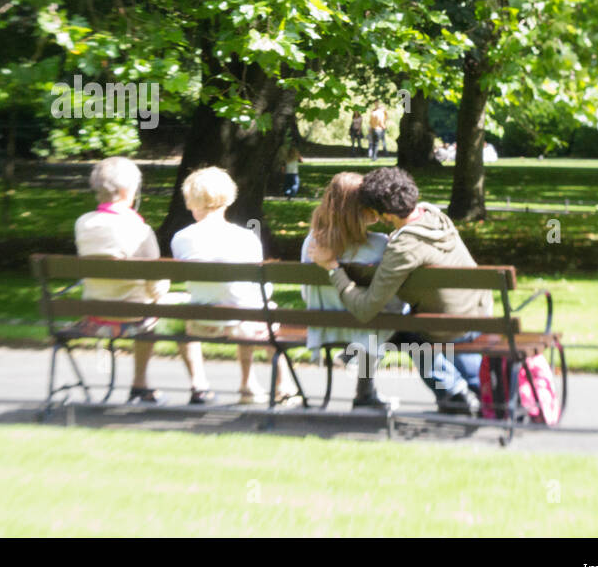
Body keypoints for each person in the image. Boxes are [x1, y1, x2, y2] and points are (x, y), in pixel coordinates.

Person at [308, 166, 487, 415]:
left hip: (326, 326)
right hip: (471, 313)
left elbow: (358, 306)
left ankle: (453, 392)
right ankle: (460, 391)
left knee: (398, 329)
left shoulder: (312, 243)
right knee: (400, 326)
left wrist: (331, 267)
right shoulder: (428, 218)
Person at [74, 157, 213, 405]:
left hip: (94, 314)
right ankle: (198, 386)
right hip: (133, 318)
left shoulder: (83, 224)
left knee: (147, 307)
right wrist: (162, 292)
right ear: (129, 190)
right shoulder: (139, 230)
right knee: (179, 308)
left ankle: (141, 386)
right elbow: (156, 283)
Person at [171, 167, 298, 406]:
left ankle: (200, 384)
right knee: (259, 305)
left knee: (212, 305)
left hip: (201, 322)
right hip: (243, 323)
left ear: (190, 200)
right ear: (228, 198)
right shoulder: (245, 238)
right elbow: (255, 287)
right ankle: (280, 384)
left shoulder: (180, 238)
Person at [301, 173, 408, 409]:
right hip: (368, 327)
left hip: (323, 326)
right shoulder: (380, 244)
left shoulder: (311, 243)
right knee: (390, 311)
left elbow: (305, 293)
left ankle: (352, 360)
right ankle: (365, 392)